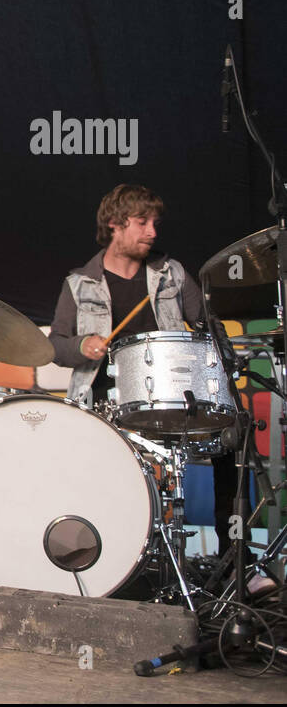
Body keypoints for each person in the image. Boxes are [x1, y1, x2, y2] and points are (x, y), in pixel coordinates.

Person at [49, 184, 239, 562]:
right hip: (104, 403)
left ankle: (233, 558)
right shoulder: (79, 283)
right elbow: (54, 344)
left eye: (155, 222)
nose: (153, 231)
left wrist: (225, 363)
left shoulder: (172, 274)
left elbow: (207, 323)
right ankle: (97, 556)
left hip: (170, 398)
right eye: (142, 222)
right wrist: (81, 347)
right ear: (115, 225)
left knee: (233, 438)